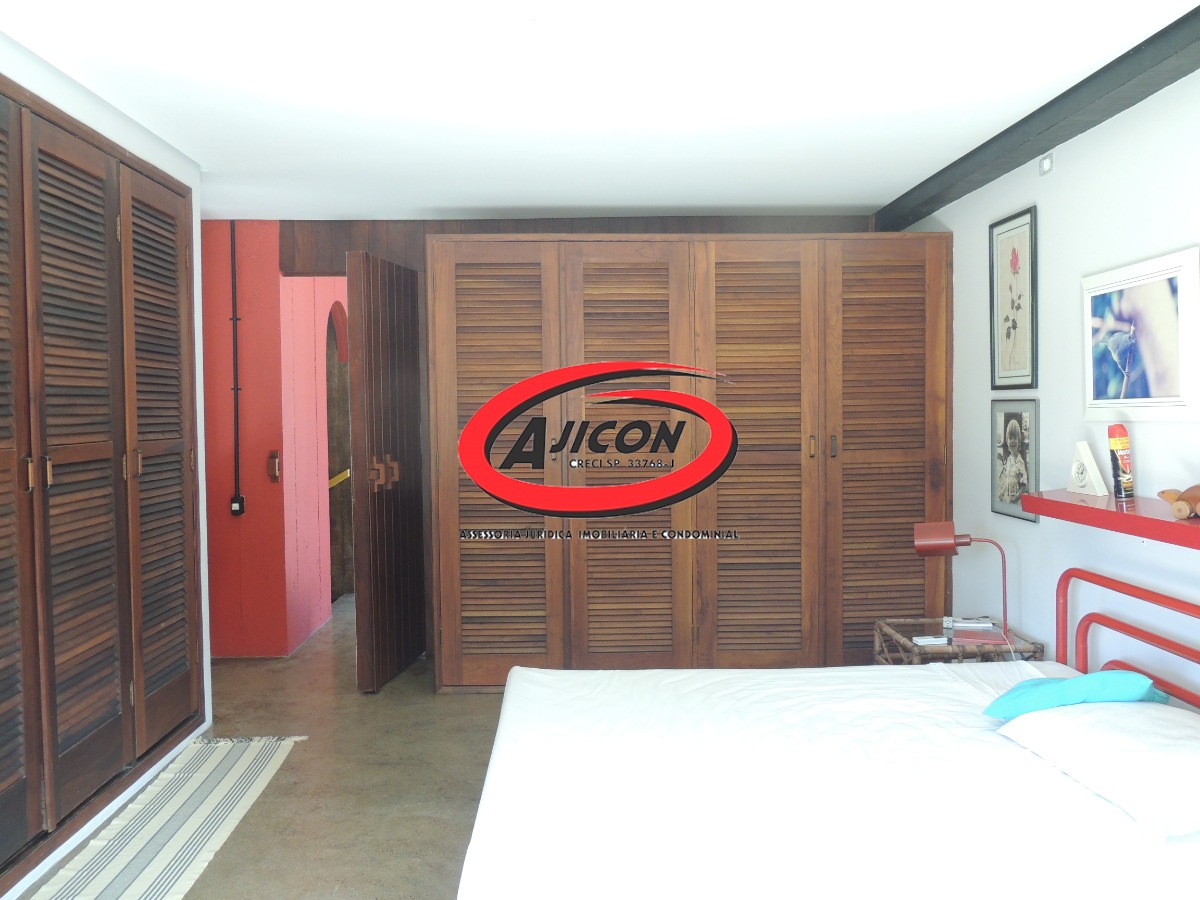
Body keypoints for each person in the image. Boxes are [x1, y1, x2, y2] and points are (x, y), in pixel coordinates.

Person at [997, 416, 1028, 503]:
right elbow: (1007, 481)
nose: (1012, 441)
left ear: (1019, 440)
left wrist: (1015, 499)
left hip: (1015, 503)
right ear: (1007, 441)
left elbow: (1023, 487)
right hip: (1006, 500)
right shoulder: (1008, 460)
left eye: (1015, 438)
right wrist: (1001, 493)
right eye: (1010, 438)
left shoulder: (1020, 463)